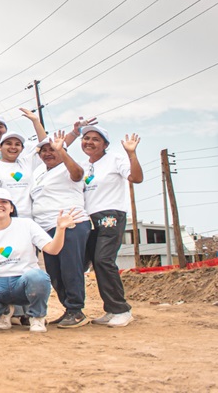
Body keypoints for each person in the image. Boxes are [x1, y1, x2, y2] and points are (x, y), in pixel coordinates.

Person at [0, 188, 84, 333]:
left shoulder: (27, 225)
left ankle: (37, 316)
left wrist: (60, 229)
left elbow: (53, 250)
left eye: (4, 202)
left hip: (24, 280)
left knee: (38, 276)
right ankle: (3, 312)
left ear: (11, 208)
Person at [78, 125, 143, 328]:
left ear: (105, 144)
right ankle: (111, 309)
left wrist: (131, 154)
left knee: (104, 260)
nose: (89, 142)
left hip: (110, 215)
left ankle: (122, 309)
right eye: (86, 138)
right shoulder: (84, 165)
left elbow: (136, 178)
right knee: (96, 263)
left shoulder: (115, 159)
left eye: (95, 139)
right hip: (89, 218)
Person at [30, 132, 91, 328]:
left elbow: (78, 174)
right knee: (54, 272)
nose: (48, 153)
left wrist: (61, 151)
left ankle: (76, 310)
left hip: (70, 224)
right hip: (46, 228)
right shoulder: (38, 172)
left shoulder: (67, 166)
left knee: (70, 268)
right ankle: (68, 309)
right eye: (44, 150)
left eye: (52, 149)